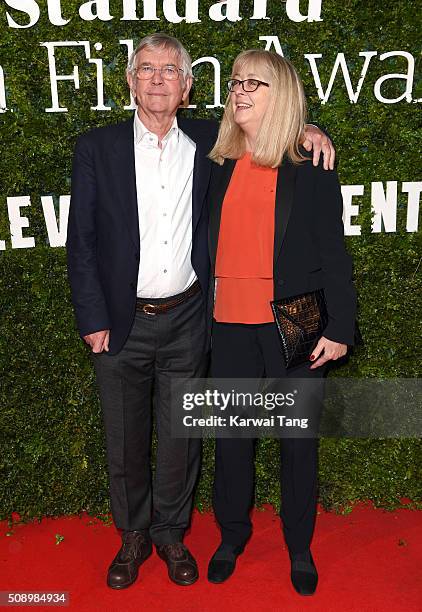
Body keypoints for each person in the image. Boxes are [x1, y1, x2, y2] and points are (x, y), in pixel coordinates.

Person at [66, 33, 334, 590]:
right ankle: (133, 537)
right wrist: (92, 316)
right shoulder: (98, 147)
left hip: (196, 318)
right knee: (126, 438)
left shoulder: (210, 141)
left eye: (170, 71)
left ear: (188, 87)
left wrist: (307, 130)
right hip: (124, 320)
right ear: (130, 81)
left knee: (185, 435)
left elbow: (273, 131)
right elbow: (82, 241)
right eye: (146, 69)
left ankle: (171, 534)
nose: (158, 79)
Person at [206, 50, 357, 595]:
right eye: (237, 82)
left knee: (298, 445)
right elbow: (161, 116)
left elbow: (334, 254)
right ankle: (231, 536)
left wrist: (340, 327)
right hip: (227, 327)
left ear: (283, 93)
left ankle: (299, 545)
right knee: (231, 441)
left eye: (256, 83)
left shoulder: (307, 164)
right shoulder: (213, 155)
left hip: (294, 324)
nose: (241, 91)